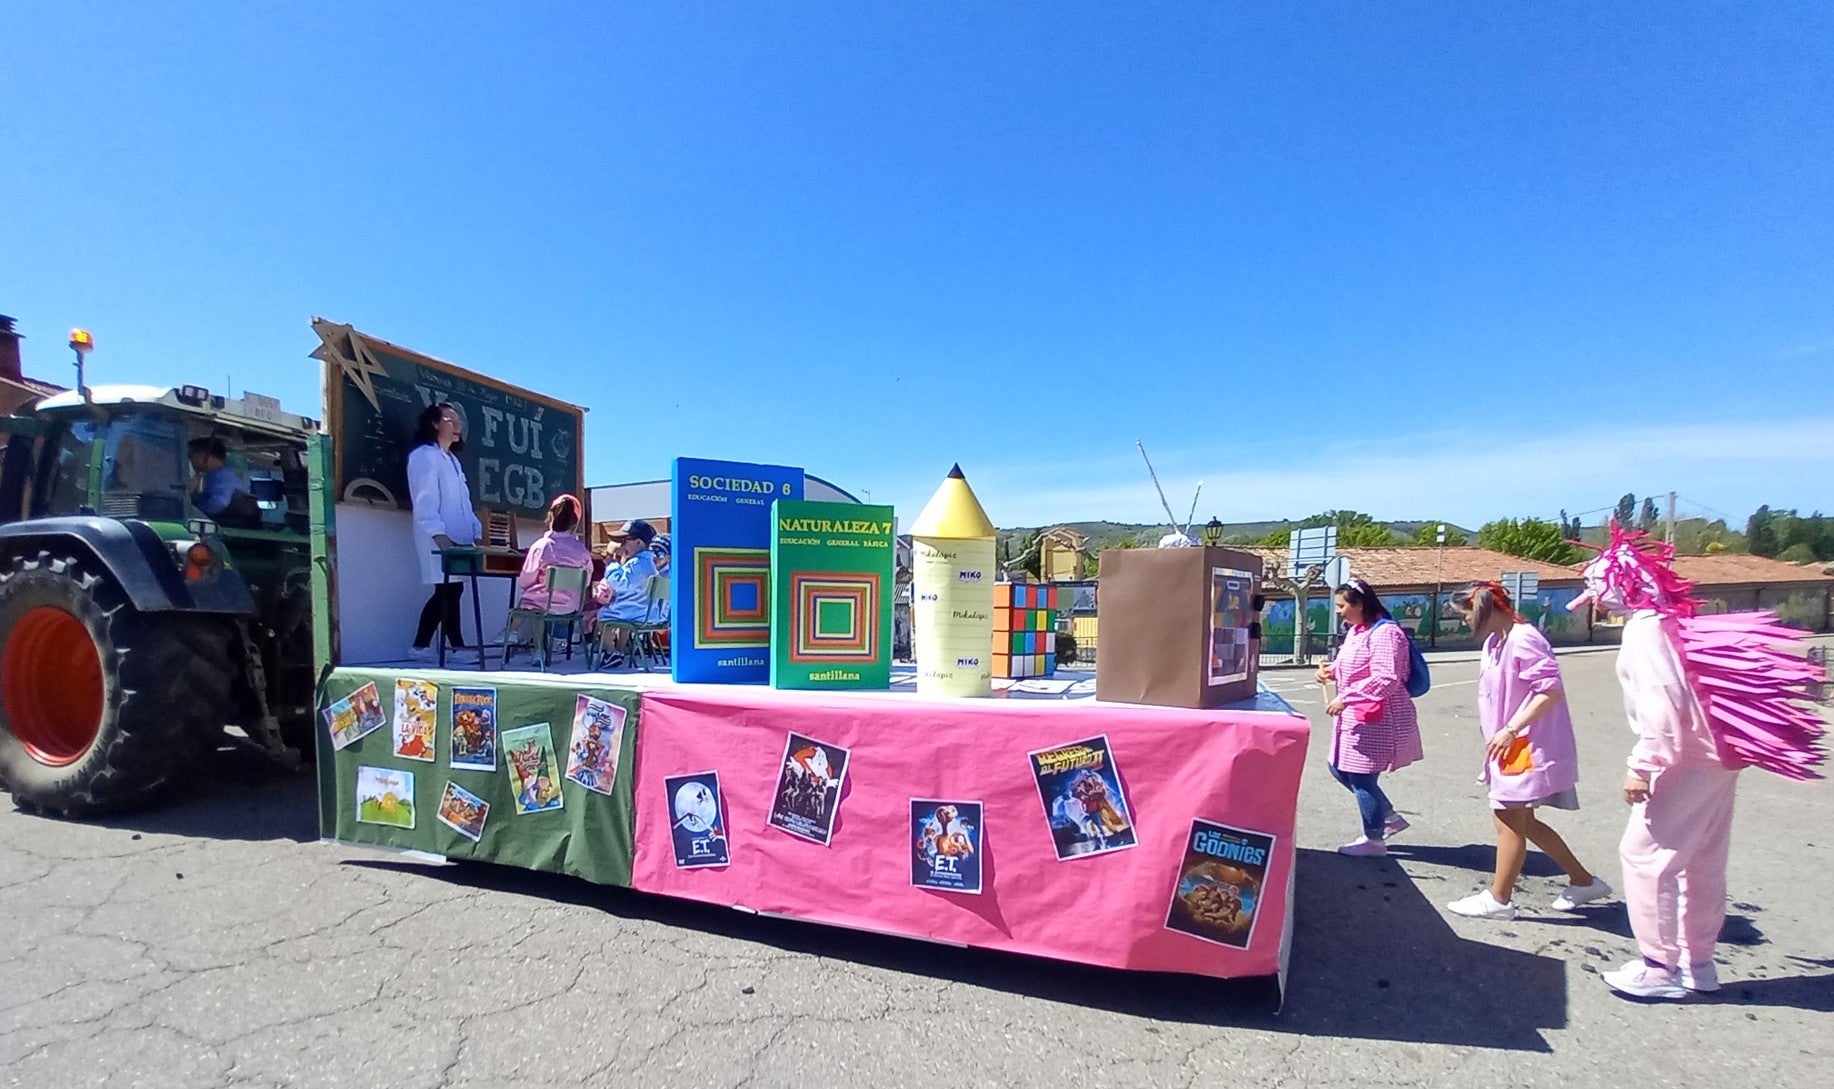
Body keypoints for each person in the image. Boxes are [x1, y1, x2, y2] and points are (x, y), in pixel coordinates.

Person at [1445, 581, 1611, 920]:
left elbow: (1549, 691)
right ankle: (1583, 881)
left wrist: (1510, 729)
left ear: (1483, 610)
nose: (1464, 622)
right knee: (1525, 822)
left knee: (1507, 818)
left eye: (1465, 615)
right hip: (1510, 745)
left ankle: (1500, 900)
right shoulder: (1496, 642)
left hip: (1523, 746)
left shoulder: (1524, 639)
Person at [1314, 578, 1423, 857]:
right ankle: (1387, 816)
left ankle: (1374, 839)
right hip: (1356, 718)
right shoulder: (1357, 630)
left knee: (1361, 778)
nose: (1338, 611)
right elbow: (1354, 663)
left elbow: (1387, 678)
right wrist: (1332, 671)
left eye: (1341, 606)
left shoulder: (1386, 633)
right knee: (1339, 768)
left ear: (1359, 604)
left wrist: (1346, 697)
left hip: (1377, 718)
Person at [406, 402, 483, 661]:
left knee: (453, 589)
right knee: (446, 589)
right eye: (450, 420)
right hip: (438, 537)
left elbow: (463, 502)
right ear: (434, 423)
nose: (457, 425)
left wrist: (475, 529)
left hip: (459, 538)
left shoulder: (453, 461)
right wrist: (437, 533)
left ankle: (425, 645)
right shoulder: (424, 456)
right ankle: (443, 647)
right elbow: (424, 498)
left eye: (458, 420)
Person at [504, 493, 593, 646]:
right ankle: (556, 641)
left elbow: (526, 579)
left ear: (550, 516)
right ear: (574, 523)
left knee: (531, 602)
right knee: (536, 603)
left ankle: (514, 635)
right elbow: (586, 580)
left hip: (544, 603)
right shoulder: (581, 550)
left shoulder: (541, 546)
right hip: (572, 605)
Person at [592, 519, 661, 668]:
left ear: (639, 542)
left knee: (603, 617)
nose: (622, 544)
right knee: (622, 620)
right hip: (644, 611)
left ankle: (611, 652)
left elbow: (619, 583)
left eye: (625, 540)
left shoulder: (637, 563)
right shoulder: (647, 562)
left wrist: (611, 563)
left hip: (635, 612)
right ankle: (620, 651)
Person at [187, 436, 257, 525]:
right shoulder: (218, 475)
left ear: (204, 455)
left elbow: (220, 503)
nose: (191, 460)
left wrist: (194, 513)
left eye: (191, 455)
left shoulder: (222, 476)